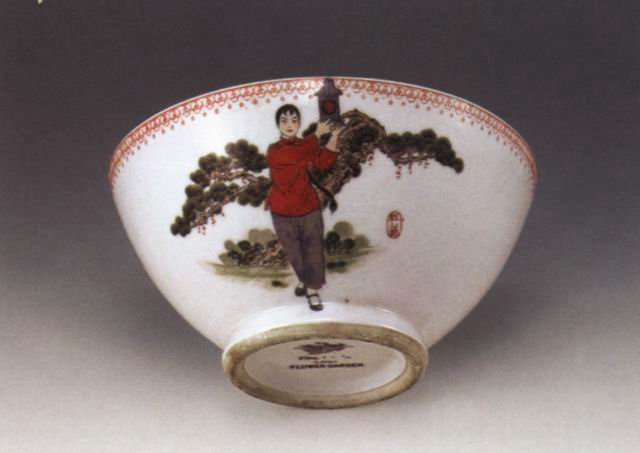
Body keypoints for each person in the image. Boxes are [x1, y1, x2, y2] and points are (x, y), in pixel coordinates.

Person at [265, 104, 343, 311]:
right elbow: (292, 156)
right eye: (284, 121)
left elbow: (323, 162)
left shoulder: (304, 145)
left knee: (313, 249)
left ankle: (312, 289)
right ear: (277, 125)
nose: (289, 125)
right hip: (282, 210)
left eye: (294, 120)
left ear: (299, 123)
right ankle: (304, 279)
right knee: (294, 253)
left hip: (308, 206)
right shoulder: (275, 150)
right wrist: (316, 134)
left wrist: (334, 136)